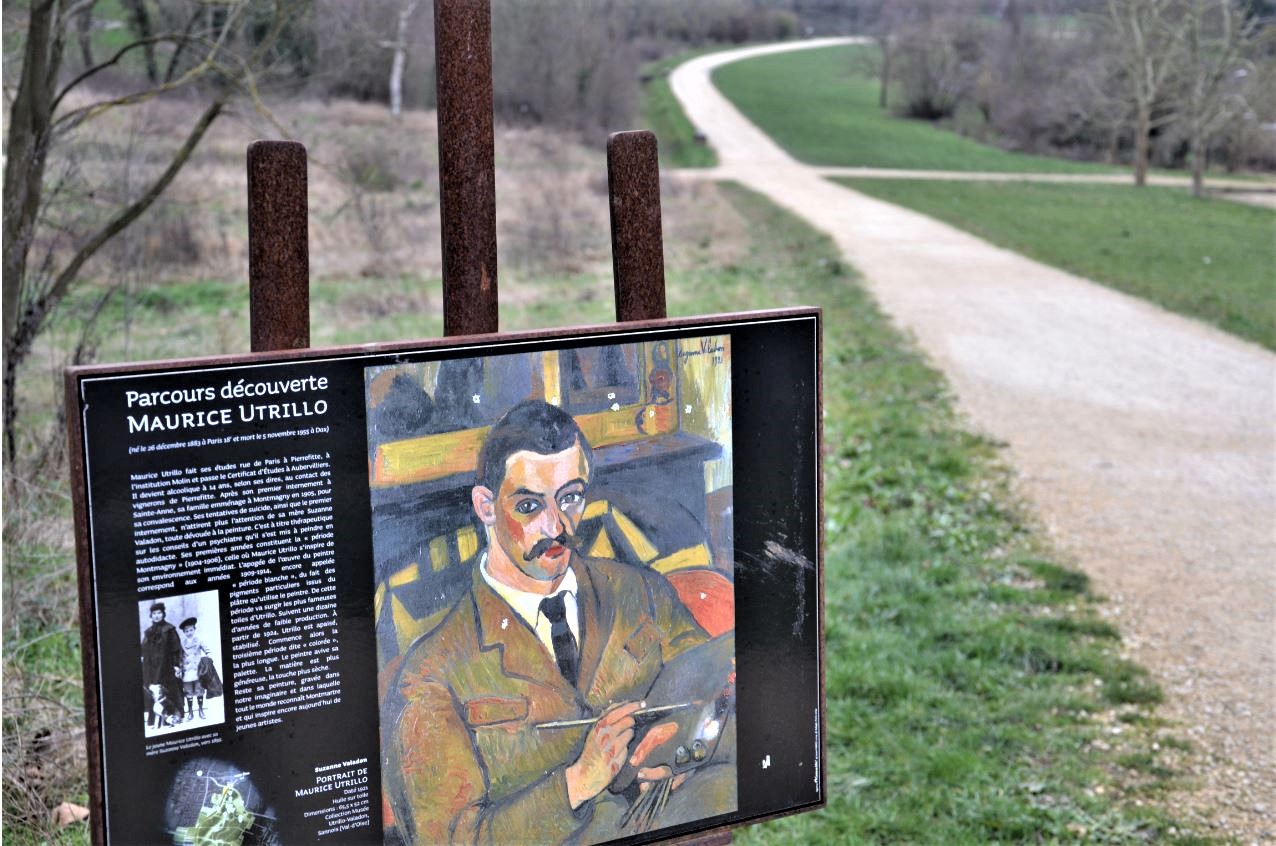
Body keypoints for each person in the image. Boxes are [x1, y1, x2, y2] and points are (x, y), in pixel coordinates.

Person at [384, 400, 717, 844]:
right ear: (485, 506)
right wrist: (576, 783)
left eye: (571, 498)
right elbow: (448, 839)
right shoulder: (431, 674)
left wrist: (675, 752)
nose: (556, 527)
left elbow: (719, 694)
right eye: (527, 506)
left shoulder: (643, 594)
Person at [140, 602, 183, 728]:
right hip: (152, 668)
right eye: (154, 613)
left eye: (159, 613)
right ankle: (155, 720)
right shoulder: (148, 632)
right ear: (151, 615)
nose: (157, 616)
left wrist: (176, 665)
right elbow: (144, 649)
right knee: (154, 692)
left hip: (166, 667)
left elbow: (176, 649)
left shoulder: (170, 630)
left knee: (168, 691)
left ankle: (172, 717)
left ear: (163, 614)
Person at [178, 617, 211, 722]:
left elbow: (207, 650)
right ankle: (190, 712)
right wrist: (179, 668)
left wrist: (209, 657)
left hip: (198, 670)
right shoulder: (182, 643)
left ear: (194, 629)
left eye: (191, 630)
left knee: (199, 690)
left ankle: (201, 710)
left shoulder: (199, 640)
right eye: (186, 631)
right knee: (188, 692)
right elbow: (179, 656)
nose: (189, 632)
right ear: (184, 632)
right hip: (187, 671)